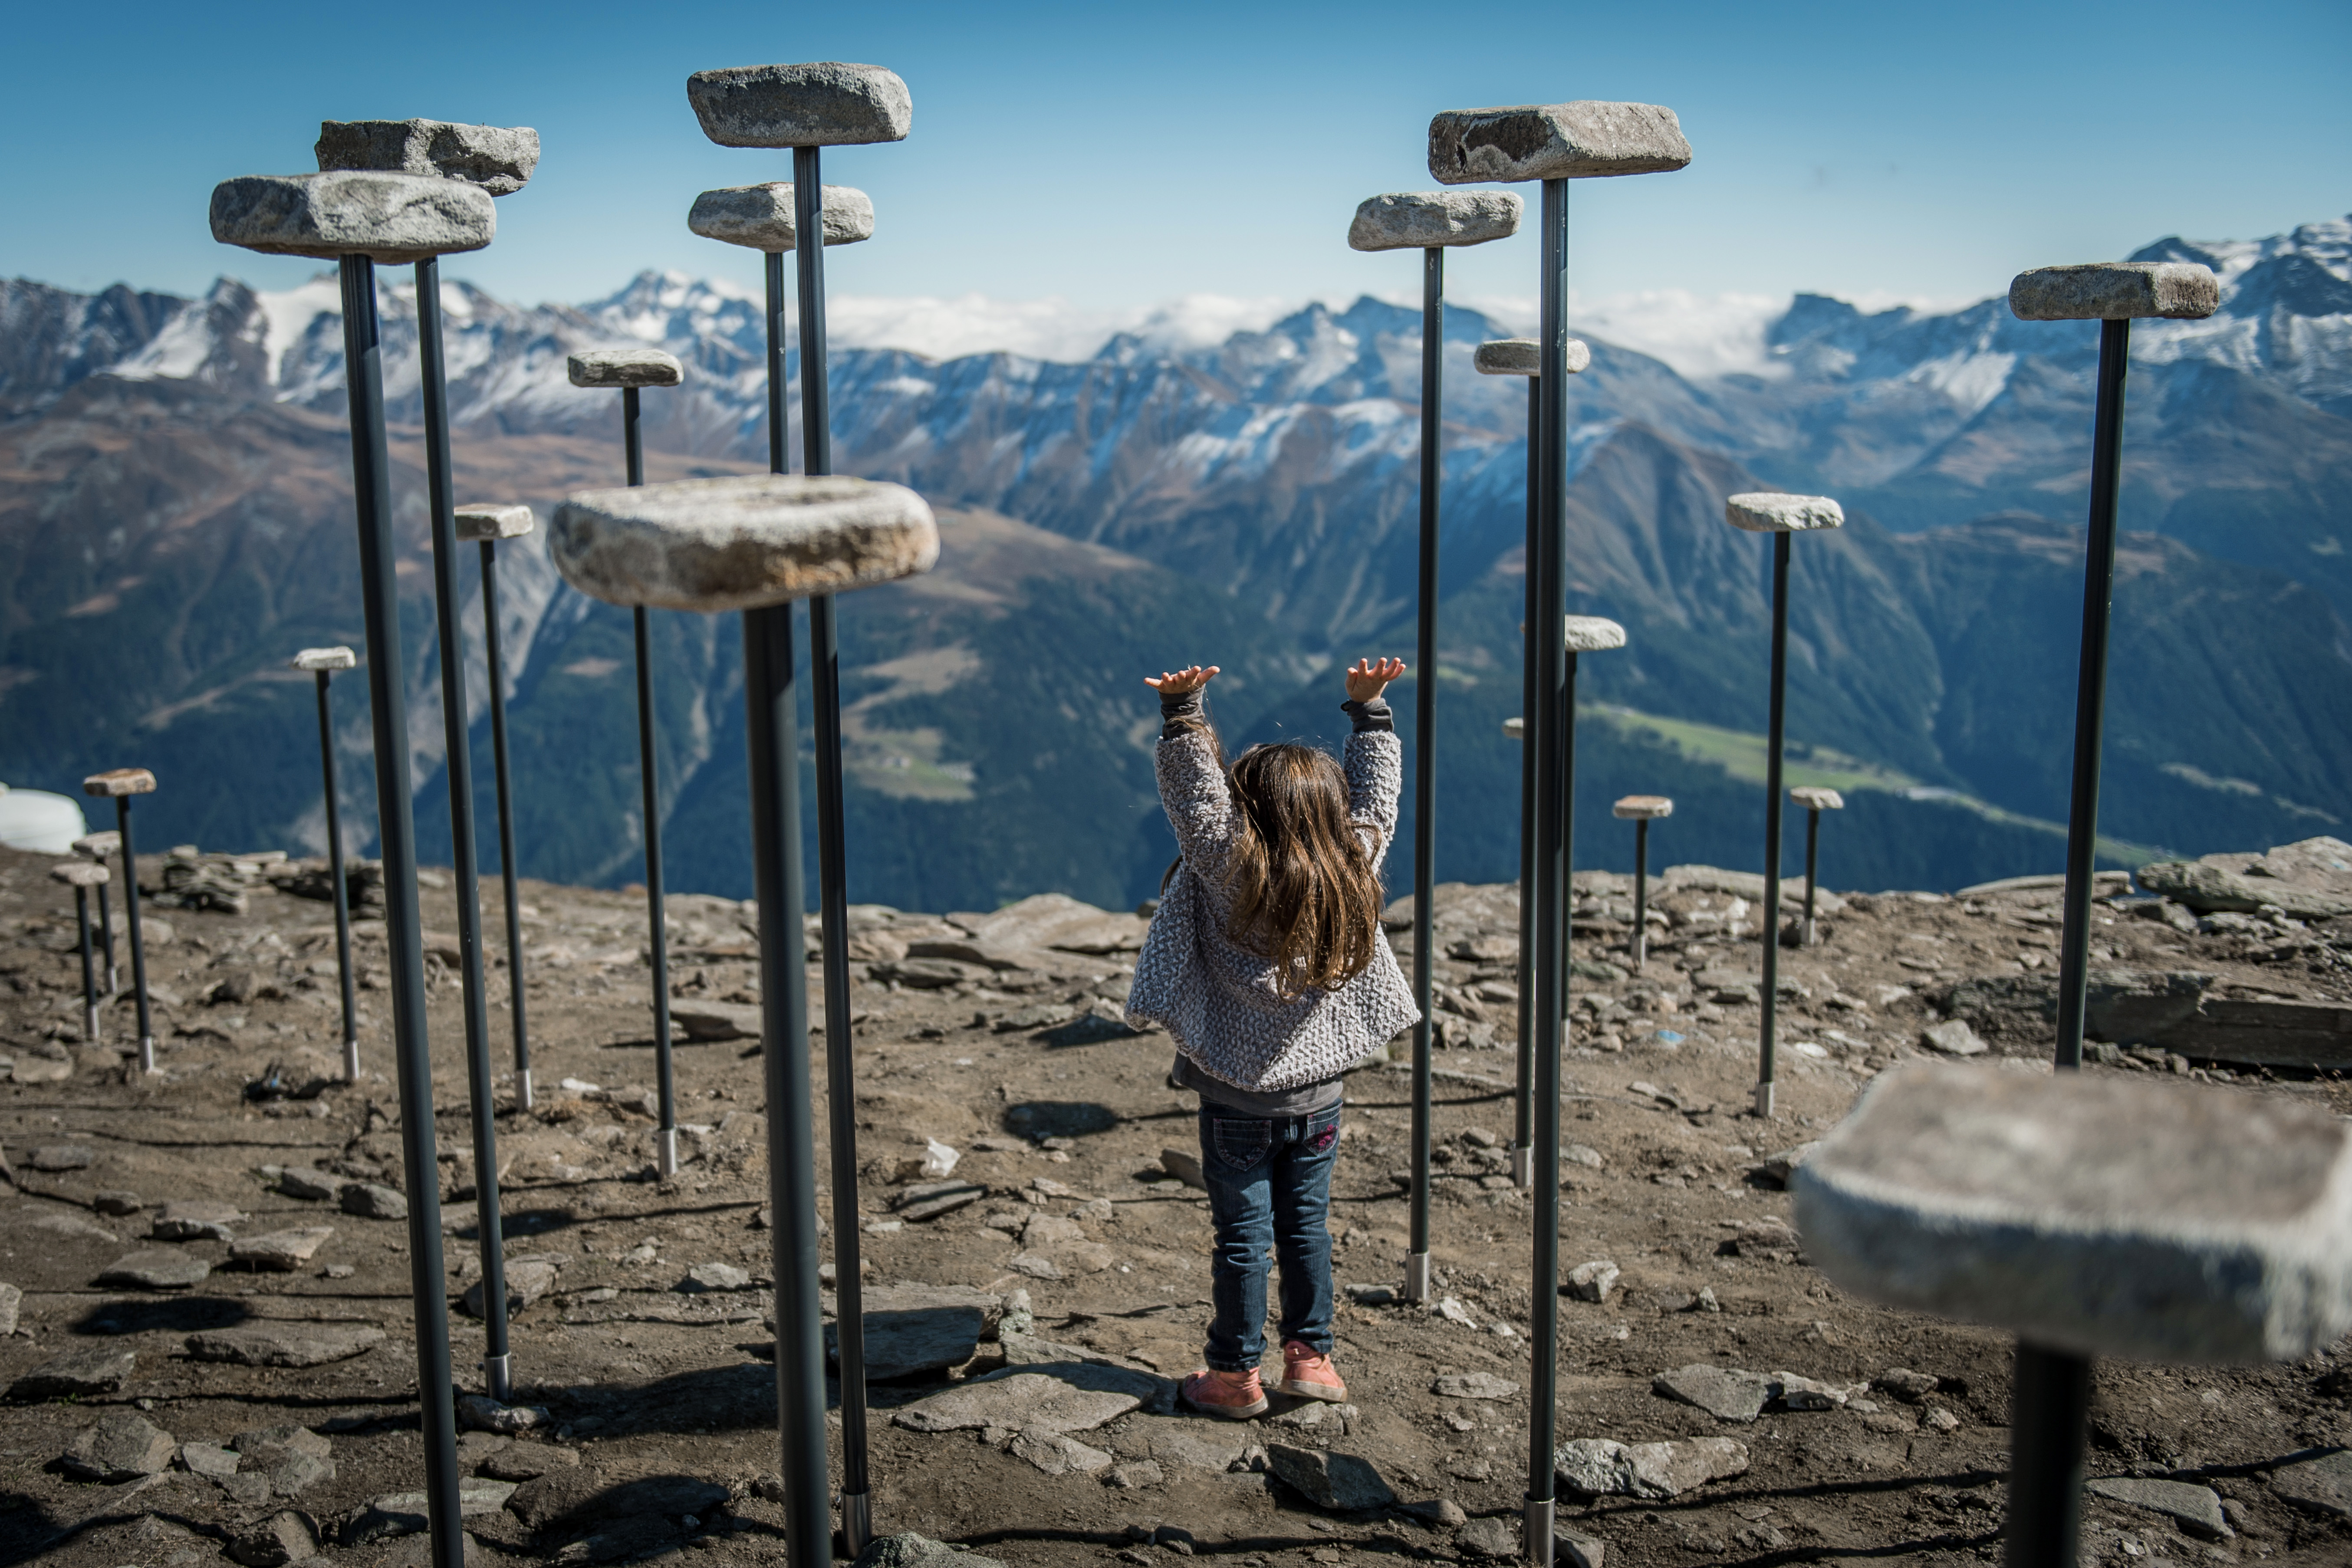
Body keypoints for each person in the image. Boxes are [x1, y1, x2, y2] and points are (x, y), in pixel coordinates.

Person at [1125, 655, 1418, 1419]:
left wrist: (1185, 713)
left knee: (1243, 1236)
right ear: (1332, 814)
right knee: (1306, 1225)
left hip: (1232, 1094)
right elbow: (1379, 804)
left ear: (1246, 811)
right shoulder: (1351, 865)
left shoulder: (1229, 867)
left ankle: (1232, 1376)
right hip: (1319, 1097)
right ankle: (1312, 1358)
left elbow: (1198, 804)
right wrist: (1371, 714)